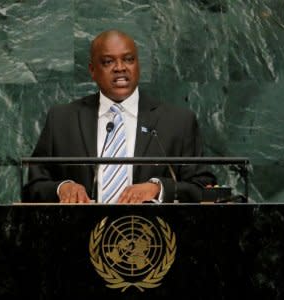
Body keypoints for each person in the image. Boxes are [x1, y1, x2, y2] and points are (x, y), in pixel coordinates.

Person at [22, 29, 216, 204]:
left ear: (138, 65)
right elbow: (33, 185)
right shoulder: (63, 120)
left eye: (129, 59)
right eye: (108, 61)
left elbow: (203, 186)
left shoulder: (177, 121)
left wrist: (158, 188)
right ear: (92, 71)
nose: (120, 67)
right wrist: (62, 188)